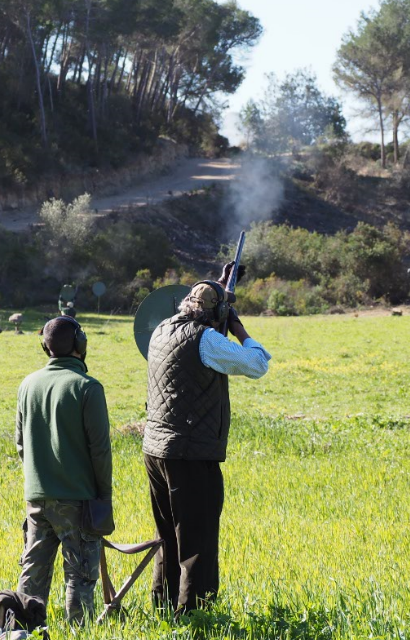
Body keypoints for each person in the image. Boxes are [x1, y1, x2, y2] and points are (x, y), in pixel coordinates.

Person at [143, 263, 271, 615]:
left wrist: (221, 283)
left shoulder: (161, 330)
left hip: (156, 450)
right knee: (197, 540)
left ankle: (163, 609)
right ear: (215, 316)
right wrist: (238, 328)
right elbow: (257, 365)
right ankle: (195, 614)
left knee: (168, 535)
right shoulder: (207, 339)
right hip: (190, 451)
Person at [16, 316, 113, 624]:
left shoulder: (27, 385)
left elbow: (21, 445)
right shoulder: (88, 387)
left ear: (46, 347)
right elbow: (100, 450)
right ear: (80, 344)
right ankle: (79, 633)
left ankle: (19, 631)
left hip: (37, 498)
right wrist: (103, 495)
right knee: (80, 577)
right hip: (78, 500)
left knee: (32, 577)